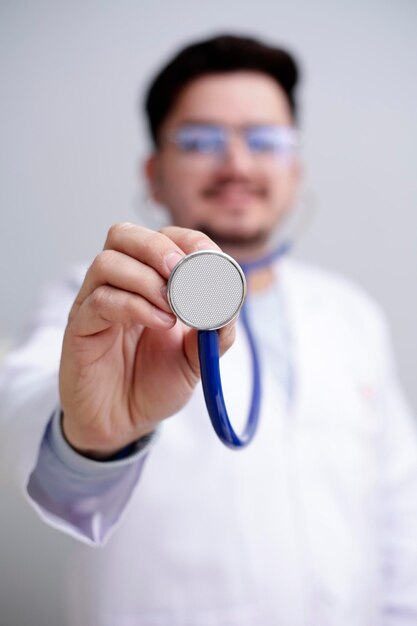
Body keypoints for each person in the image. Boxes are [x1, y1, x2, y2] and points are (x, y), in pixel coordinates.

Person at [1, 33, 416, 626]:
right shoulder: (91, 302)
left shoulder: (352, 316)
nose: (237, 165)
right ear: (154, 173)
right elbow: (35, 442)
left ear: (295, 170)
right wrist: (91, 443)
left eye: (265, 140)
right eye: (201, 140)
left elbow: (400, 521)